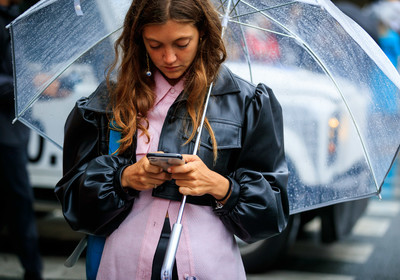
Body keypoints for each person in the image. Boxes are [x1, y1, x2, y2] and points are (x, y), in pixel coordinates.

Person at [55, 0, 289, 279]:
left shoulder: (248, 103)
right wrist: (124, 178)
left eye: (181, 44)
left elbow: (272, 214)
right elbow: (73, 202)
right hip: (123, 265)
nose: (168, 58)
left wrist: (221, 186)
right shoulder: (110, 101)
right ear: (139, 39)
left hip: (207, 266)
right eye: (155, 45)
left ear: (203, 33)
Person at [0, 0, 43, 279]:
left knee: (17, 204)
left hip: (14, 130)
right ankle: (33, 271)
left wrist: (42, 82)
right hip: (4, 132)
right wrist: (29, 84)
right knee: (20, 203)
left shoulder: (15, 16)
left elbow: (16, 67)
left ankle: (32, 270)